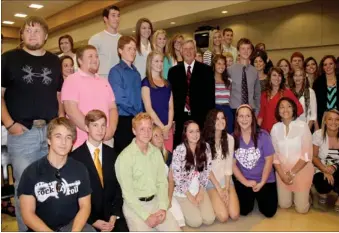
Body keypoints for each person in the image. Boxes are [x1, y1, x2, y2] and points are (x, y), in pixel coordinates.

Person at [1, 16, 63, 231]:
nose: (33, 34)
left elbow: (58, 96)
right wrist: (9, 124)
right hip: (22, 134)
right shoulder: (8, 59)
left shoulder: (55, 61)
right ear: (22, 35)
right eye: (28, 30)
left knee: (49, 186)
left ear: (46, 36)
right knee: (25, 189)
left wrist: (59, 126)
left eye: (38, 31)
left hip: (49, 133)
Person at [17, 117, 94, 232]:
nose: (63, 142)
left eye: (68, 137)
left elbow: (85, 206)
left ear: (73, 142)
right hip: (41, 229)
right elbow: (28, 215)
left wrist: (75, 231)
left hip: (71, 226)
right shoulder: (31, 172)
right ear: (49, 140)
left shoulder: (80, 169)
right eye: (58, 136)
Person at [115, 113, 180, 231]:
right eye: (142, 129)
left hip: (155, 201)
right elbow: (128, 194)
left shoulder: (156, 153)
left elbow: (162, 182)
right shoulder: (124, 158)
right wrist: (146, 216)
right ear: (134, 131)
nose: (146, 132)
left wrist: (162, 207)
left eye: (149, 128)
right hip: (135, 207)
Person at [71, 110, 129, 231]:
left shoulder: (113, 155)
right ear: (86, 127)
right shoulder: (75, 158)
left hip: (112, 218)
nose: (100, 129)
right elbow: (74, 195)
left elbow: (119, 187)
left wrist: (114, 215)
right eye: (95, 125)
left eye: (103, 125)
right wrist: (93, 221)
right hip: (88, 220)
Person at [61, 45, 118, 149]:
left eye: (96, 56)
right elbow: (71, 111)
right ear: (80, 61)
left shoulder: (104, 81)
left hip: (106, 141)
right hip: (81, 143)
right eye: (90, 56)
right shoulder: (71, 80)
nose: (95, 59)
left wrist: (112, 129)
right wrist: (95, 131)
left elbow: (112, 108)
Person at [168, 39, 215, 147]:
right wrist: (173, 119)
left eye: (191, 48)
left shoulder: (206, 70)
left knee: (200, 148)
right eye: (185, 49)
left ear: (195, 51)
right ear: (181, 51)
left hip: (200, 117)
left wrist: (209, 120)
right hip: (180, 117)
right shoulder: (173, 72)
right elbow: (171, 98)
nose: (188, 51)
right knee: (180, 148)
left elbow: (210, 97)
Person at [233, 104, 278, 217]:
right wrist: (245, 182)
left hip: (265, 180)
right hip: (244, 180)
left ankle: (259, 196)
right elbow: (232, 165)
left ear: (253, 118)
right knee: (244, 211)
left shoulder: (263, 135)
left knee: (269, 212)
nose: (244, 119)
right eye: (241, 116)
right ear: (237, 118)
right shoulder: (232, 138)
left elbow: (269, 161)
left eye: (248, 116)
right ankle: (252, 197)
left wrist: (262, 182)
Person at [271, 97, 314, 214]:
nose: (285, 109)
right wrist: (282, 174)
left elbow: (307, 155)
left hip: (301, 170)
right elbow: (274, 155)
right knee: (284, 205)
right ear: (278, 111)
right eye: (282, 107)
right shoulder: (275, 128)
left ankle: (307, 194)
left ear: (294, 109)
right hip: (282, 172)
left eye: (289, 106)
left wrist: (292, 173)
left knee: (301, 209)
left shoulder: (303, 126)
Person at [171, 120, 216, 227]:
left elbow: (207, 171)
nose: (195, 135)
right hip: (184, 192)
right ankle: (179, 206)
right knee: (196, 222)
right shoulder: (179, 150)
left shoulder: (206, 148)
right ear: (185, 134)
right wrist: (190, 196)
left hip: (199, 188)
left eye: (197, 131)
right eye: (191, 132)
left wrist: (201, 191)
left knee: (209, 219)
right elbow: (177, 178)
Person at [203, 109, 240, 223]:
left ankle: (218, 199)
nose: (221, 121)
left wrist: (227, 189)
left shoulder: (230, 139)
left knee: (234, 215)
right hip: (211, 182)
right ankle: (209, 198)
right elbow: (207, 169)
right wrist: (219, 190)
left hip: (226, 180)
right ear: (211, 122)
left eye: (222, 118)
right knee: (223, 217)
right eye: (217, 119)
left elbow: (229, 166)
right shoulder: (204, 141)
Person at [108, 36, 143, 154]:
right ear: (120, 50)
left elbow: (140, 97)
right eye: (129, 49)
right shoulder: (115, 71)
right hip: (124, 119)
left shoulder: (136, 72)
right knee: (124, 155)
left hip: (137, 118)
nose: (133, 52)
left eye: (134, 49)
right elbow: (119, 99)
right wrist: (137, 114)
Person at [151, 126, 186, 228]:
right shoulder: (147, 157)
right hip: (154, 195)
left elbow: (171, 180)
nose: (160, 138)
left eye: (161, 135)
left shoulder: (169, 156)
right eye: (155, 136)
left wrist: (169, 199)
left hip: (168, 191)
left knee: (179, 222)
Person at [141, 51, 174, 152]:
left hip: (168, 128)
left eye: (161, 61)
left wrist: (168, 126)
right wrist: (162, 127)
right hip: (153, 127)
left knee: (168, 157)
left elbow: (171, 107)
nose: (160, 64)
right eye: (156, 61)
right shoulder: (146, 82)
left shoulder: (167, 83)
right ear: (150, 63)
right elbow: (148, 109)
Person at [258, 67, 303, 133]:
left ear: (282, 78)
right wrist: (257, 131)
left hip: (281, 130)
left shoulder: (287, 92)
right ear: (269, 77)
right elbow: (260, 115)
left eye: (279, 75)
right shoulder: (264, 94)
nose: (277, 78)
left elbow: (299, 109)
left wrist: (288, 120)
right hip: (265, 131)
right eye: (274, 75)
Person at [312, 109, 339, 212]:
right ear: (325, 121)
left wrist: (333, 167)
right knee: (323, 184)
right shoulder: (318, 135)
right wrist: (324, 169)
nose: (333, 122)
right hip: (321, 167)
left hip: (337, 167)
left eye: (337, 119)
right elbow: (313, 157)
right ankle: (322, 192)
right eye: (330, 119)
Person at [229, 38, 260, 115]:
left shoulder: (254, 71)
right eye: (243, 49)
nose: (246, 51)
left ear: (251, 51)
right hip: (234, 110)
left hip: (250, 109)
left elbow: (257, 94)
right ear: (238, 51)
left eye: (248, 48)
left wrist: (256, 111)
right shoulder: (229, 70)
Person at [89, 5, 121, 78]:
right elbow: (90, 63)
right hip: (102, 80)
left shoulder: (123, 39)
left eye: (118, 16)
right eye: (113, 15)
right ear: (105, 19)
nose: (116, 19)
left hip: (120, 79)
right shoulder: (95, 39)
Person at [313, 55, 339, 126]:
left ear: (335, 65)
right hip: (323, 119)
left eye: (331, 64)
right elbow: (315, 105)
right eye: (325, 65)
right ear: (323, 67)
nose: (328, 66)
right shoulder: (317, 82)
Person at [212, 54, 233, 133]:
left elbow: (230, 98)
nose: (221, 66)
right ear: (214, 65)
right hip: (214, 112)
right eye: (219, 63)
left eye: (223, 64)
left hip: (227, 111)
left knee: (228, 136)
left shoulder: (229, 81)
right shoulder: (210, 80)